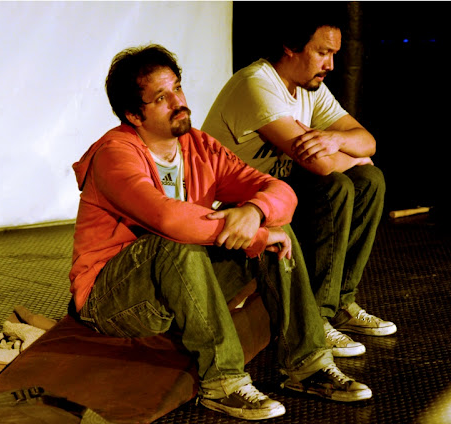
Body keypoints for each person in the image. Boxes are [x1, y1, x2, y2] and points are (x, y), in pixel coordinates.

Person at [68, 44, 372, 421]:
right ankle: (222, 382)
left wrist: (256, 212)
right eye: (161, 98)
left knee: (272, 222)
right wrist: (255, 235)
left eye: (178, 88)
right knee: (178, 243)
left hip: (178, 286)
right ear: (133, 115)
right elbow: (168, 220)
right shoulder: (115, 154)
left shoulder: (199, 146)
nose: (178, 102)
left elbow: (279, 191)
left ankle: (307, 365)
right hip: (111, 300)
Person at [201, 9, 396, 359]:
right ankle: (315, 320)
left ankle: (340, 303)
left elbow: (368, 142)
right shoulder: (258, 83)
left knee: (371, 179)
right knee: (335, 186)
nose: (330, 65)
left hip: (277, 193)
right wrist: (350, 155)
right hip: (234, 206)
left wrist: (336, 141)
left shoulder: (311, 88)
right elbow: (321, 165)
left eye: (334, 54)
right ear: (291, 47)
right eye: (322, 52)